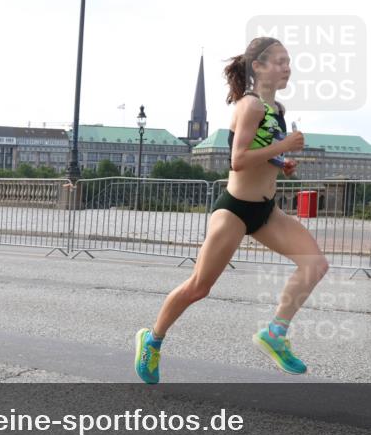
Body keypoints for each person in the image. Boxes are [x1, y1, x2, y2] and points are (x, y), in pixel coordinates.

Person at [135, 36, 329, 384]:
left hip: (266, 211)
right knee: (199, 287)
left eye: (289, 62)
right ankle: (152, 340)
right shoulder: (249, 106)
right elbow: (237, 160)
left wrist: (281, 162)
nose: (288, 68)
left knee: (315, 264)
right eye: (280, 61)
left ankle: (275, 334)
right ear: (259, 67)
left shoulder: (277, 109)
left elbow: (261, 149)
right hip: (235, 211)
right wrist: (285, 145)